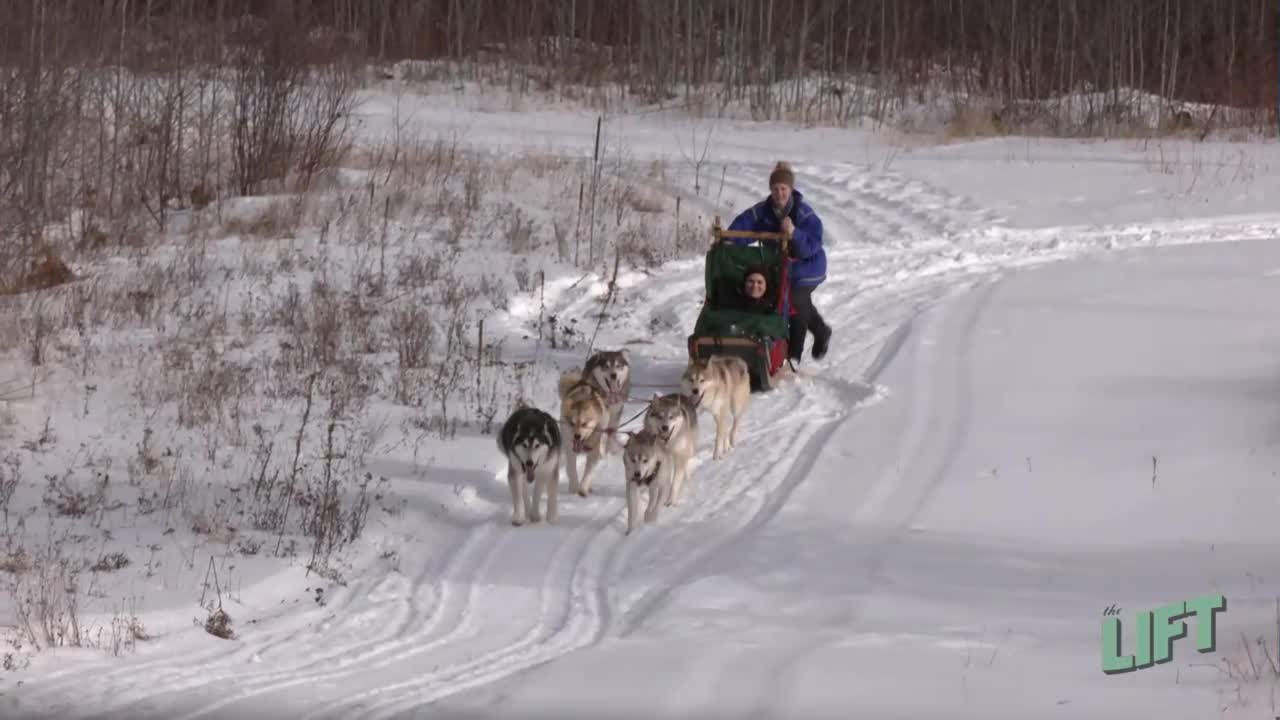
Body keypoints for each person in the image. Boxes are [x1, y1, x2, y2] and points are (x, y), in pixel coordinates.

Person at [726, 161, 832, 362]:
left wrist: (794, 233)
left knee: (794, 300)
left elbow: (812, 246)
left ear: (791, 189)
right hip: (781, 266)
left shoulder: (803, 213)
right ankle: (819, 331)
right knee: (774, 298)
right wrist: (728, 240)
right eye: (775, 189)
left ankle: (794, 356)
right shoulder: (763, 211)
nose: (779, 194)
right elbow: (745, 225)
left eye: (783, 189)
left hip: (808, 266)